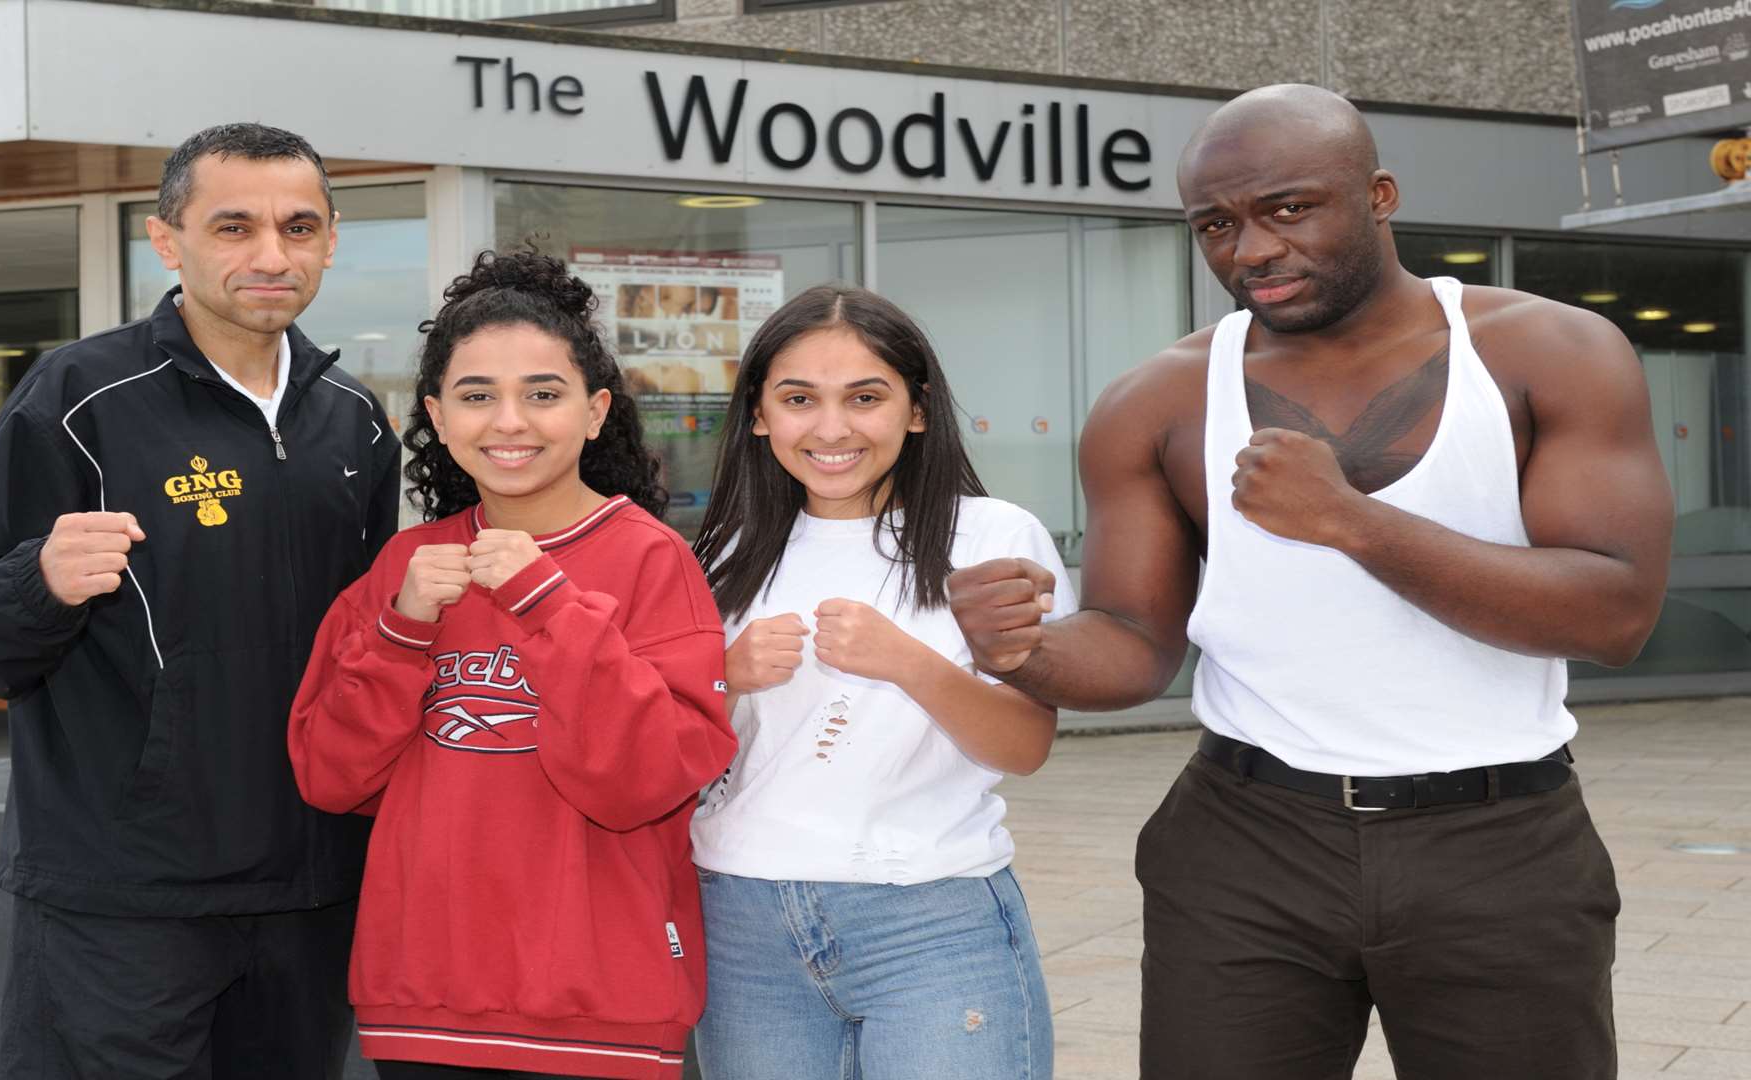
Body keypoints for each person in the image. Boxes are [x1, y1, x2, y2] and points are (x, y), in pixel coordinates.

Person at [947, 84, 1672, 1080]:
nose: (1249, 251)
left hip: (1500, 841)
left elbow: (1615, 612)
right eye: (1216, 225)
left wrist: (1353, 522)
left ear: (1378, 194)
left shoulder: (1549, 351)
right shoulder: (1155, 401)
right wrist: (1022, 652)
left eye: (1288, 208)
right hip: (1248, 840)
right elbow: (1132, 642)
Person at [0, 122, 400, 1080]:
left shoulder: (357, 421)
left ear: (332, 240)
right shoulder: (81, 395)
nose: (269, 255)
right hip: (123, 898)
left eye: (298, 227)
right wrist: (33, 582)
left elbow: (366, 645)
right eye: (233, 226)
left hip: (313, 888)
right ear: (169, 242)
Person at [289, 248, 737, 1080]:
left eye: (543, 393)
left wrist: (548, 603)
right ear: (437, 413)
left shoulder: (652, 560)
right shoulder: (407, 568)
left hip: (602, 1009)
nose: (509, 421)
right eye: (476, 396)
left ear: (596, 411)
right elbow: (330, 775)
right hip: (421, 1005)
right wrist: (399, 632)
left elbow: (641, 780)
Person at [688, 286, 1075, 1080]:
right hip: (741, 921)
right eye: (799, 399)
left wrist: (908, 661)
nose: (831, 429)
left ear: (918, 409)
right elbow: (677, 744)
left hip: (931, 920)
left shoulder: (994, 537)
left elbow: (1027, 743)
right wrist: (721, 678)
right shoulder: (719, 554)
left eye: (865, 398)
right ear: (759, 415)